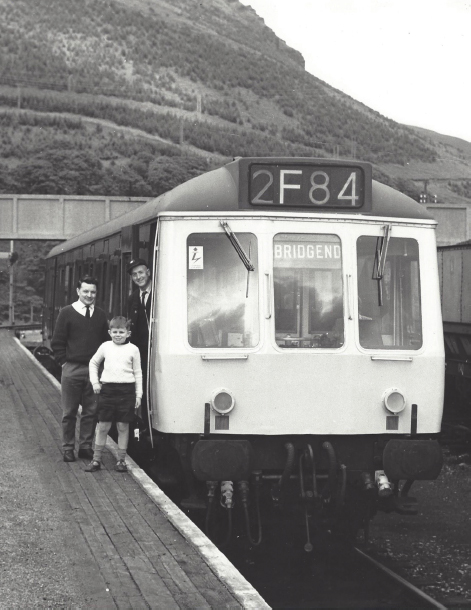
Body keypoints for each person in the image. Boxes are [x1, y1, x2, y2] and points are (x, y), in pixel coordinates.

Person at [51, 276, 109, 462]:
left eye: (92, 292)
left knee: (91, 412)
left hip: (93, 371)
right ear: (78, 291)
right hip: (72, 369)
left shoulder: (100, 315)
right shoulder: (66, 313)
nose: (89, 295)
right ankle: (68, 448)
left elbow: (105, 343)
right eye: (85, 291)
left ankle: (85, 447)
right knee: (69, 412)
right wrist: (64, 363)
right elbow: (57, 341)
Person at [86, 316, 142, 473]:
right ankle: (96, 460)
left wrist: (139, 395)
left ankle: (121, 460)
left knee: (123, 426)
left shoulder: (133, 349)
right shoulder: (105, 347)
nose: (118, 335)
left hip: (127, 391)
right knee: (103, 425)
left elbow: (138, 373)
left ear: (128, 333)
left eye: (121, 332)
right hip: (108, 391)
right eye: (115, 332)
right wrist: (95, 382)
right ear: (110, 332)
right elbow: (93, 363)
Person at [126, 258, 152, 424]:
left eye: (141, 272)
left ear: (148, 272)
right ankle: (142, 424)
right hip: (140, 353)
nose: (138, 277)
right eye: (134, 274)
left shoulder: (161, 292)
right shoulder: (133, 298)